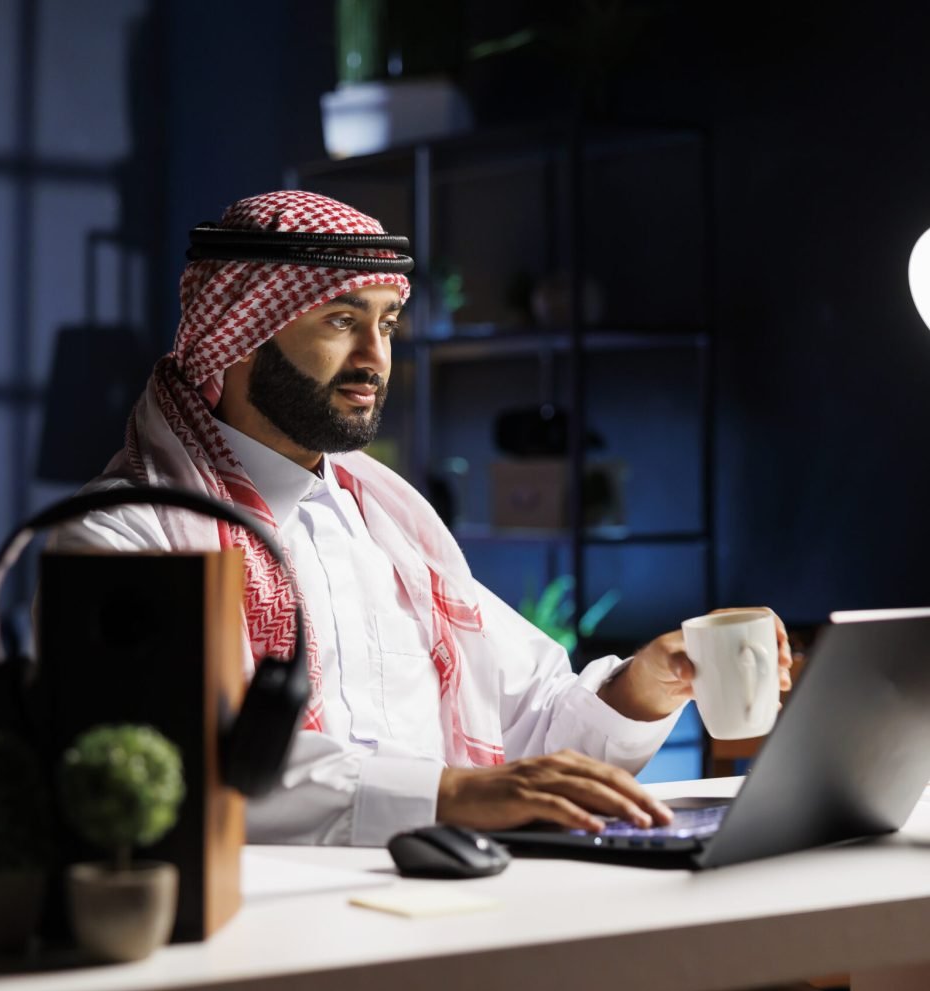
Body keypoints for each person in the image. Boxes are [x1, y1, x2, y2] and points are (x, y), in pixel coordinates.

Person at [52, 190, 793, 846]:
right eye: (343, 321)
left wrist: (644, 687)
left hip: (446, 910)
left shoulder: (389, 527)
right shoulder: (125, 534)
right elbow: (185, 762)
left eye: (387, 324)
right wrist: (451, 795)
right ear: (243, 335)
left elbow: (533, 722)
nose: (377, 358)